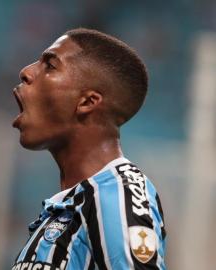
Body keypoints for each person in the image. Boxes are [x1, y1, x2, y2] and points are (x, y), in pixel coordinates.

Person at [11, 28, 166, 270]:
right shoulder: (65, 211)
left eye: (50, 66)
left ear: (87, 102)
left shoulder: (117, 193)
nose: (26, 72)